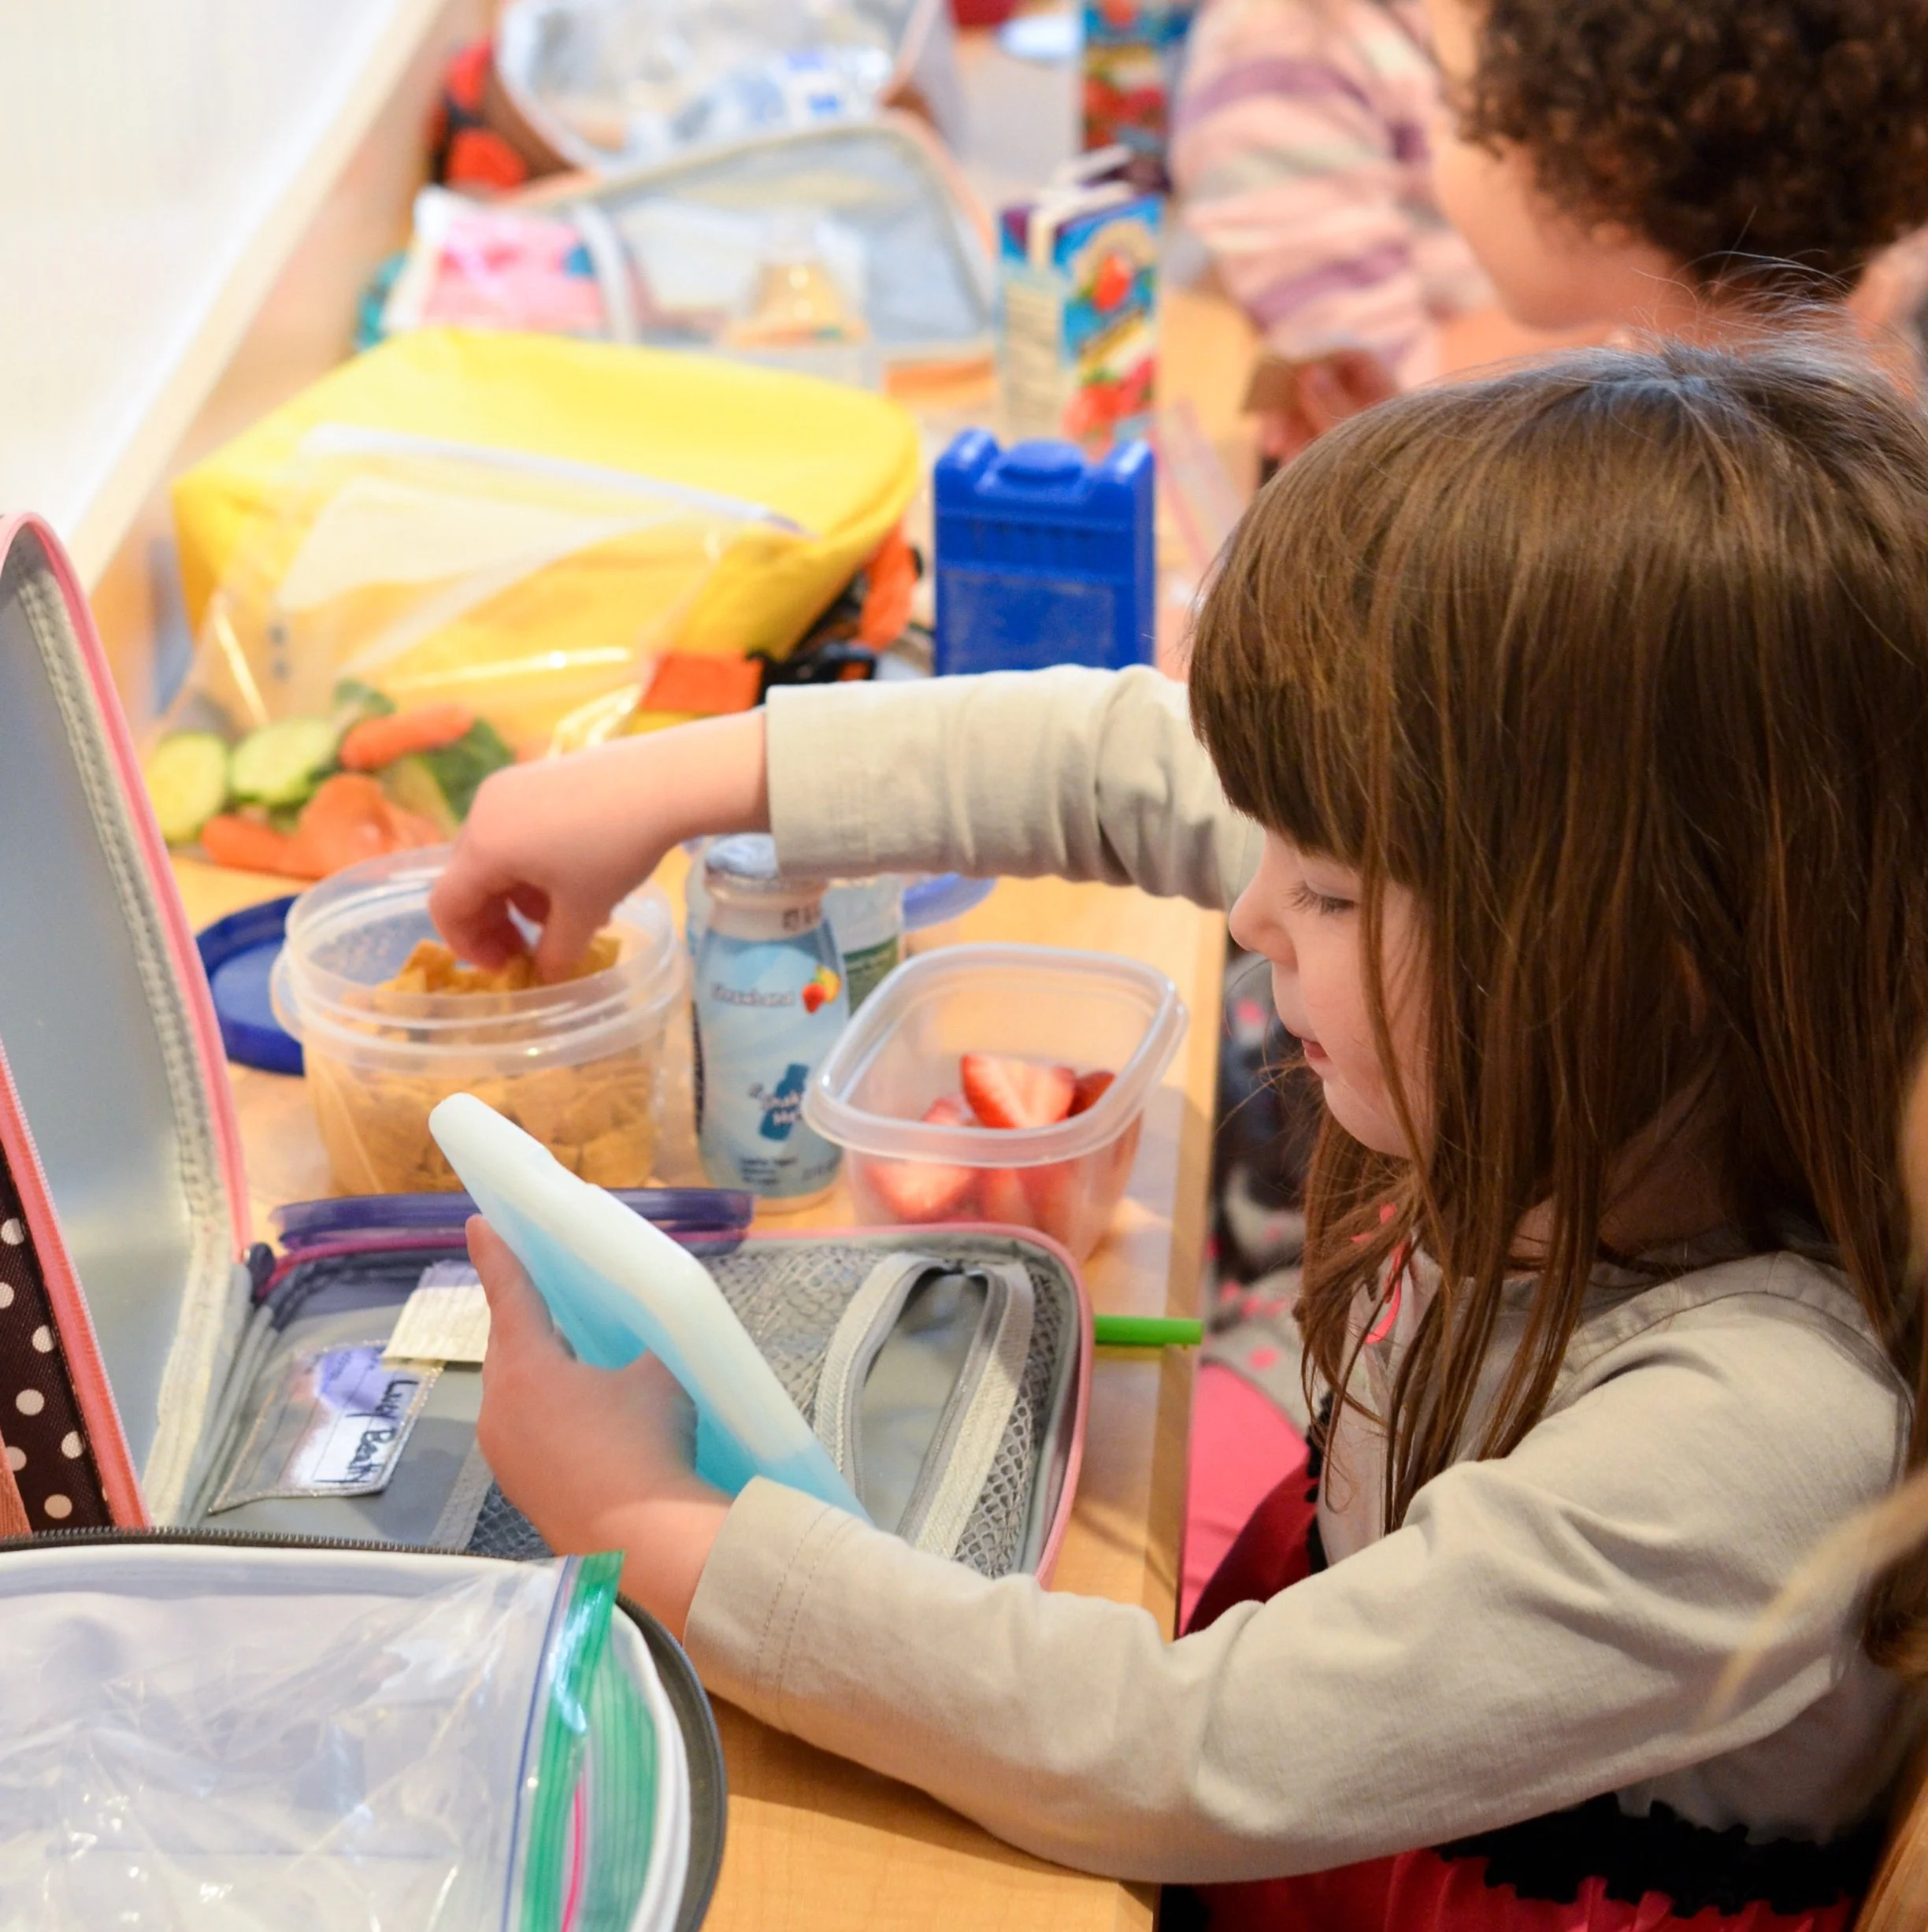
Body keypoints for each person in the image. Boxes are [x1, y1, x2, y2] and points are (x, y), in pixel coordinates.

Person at [432, 341, 1928, 1930]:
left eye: (1334, 892)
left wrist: (650, 1527)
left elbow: (1178, 1745)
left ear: (1635, 966)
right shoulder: (1616, 977)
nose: (1258, 904)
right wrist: (677, 780)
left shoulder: (1764, 1428)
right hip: (1352, 1701)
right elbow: (1122, 755)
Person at [1178, 0, 1928, 464]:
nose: (1450, 144)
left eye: (1467, 111)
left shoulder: (1596, 503)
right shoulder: (1873, 443)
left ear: (1595, 158)